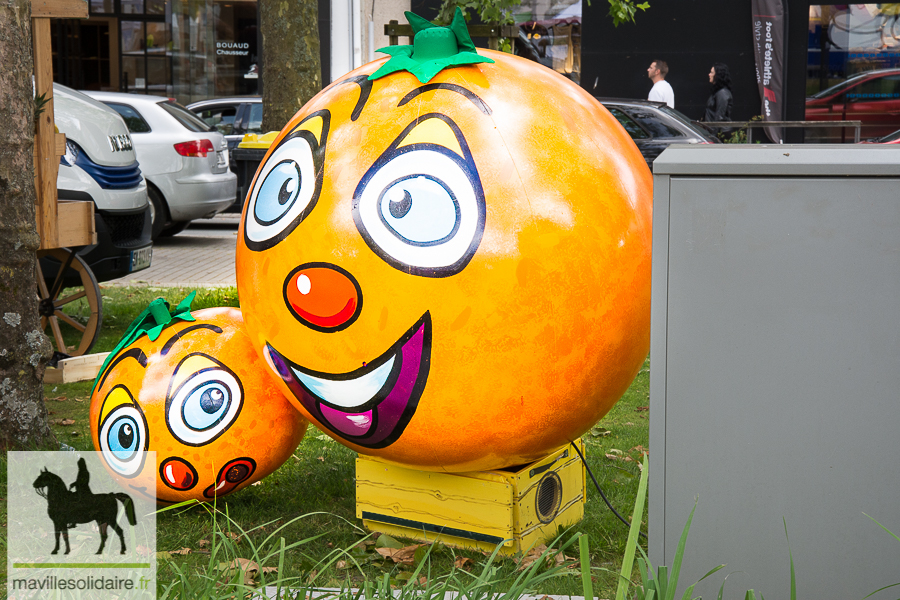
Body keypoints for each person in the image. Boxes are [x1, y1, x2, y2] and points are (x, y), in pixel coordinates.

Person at [703, 63, 734, 138]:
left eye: (712, 72)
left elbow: (719, 116)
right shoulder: (718, 92)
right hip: (716, 131)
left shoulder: (722, 93)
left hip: (721, 133)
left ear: (717, 76)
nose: (709, 74)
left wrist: (713, 136)